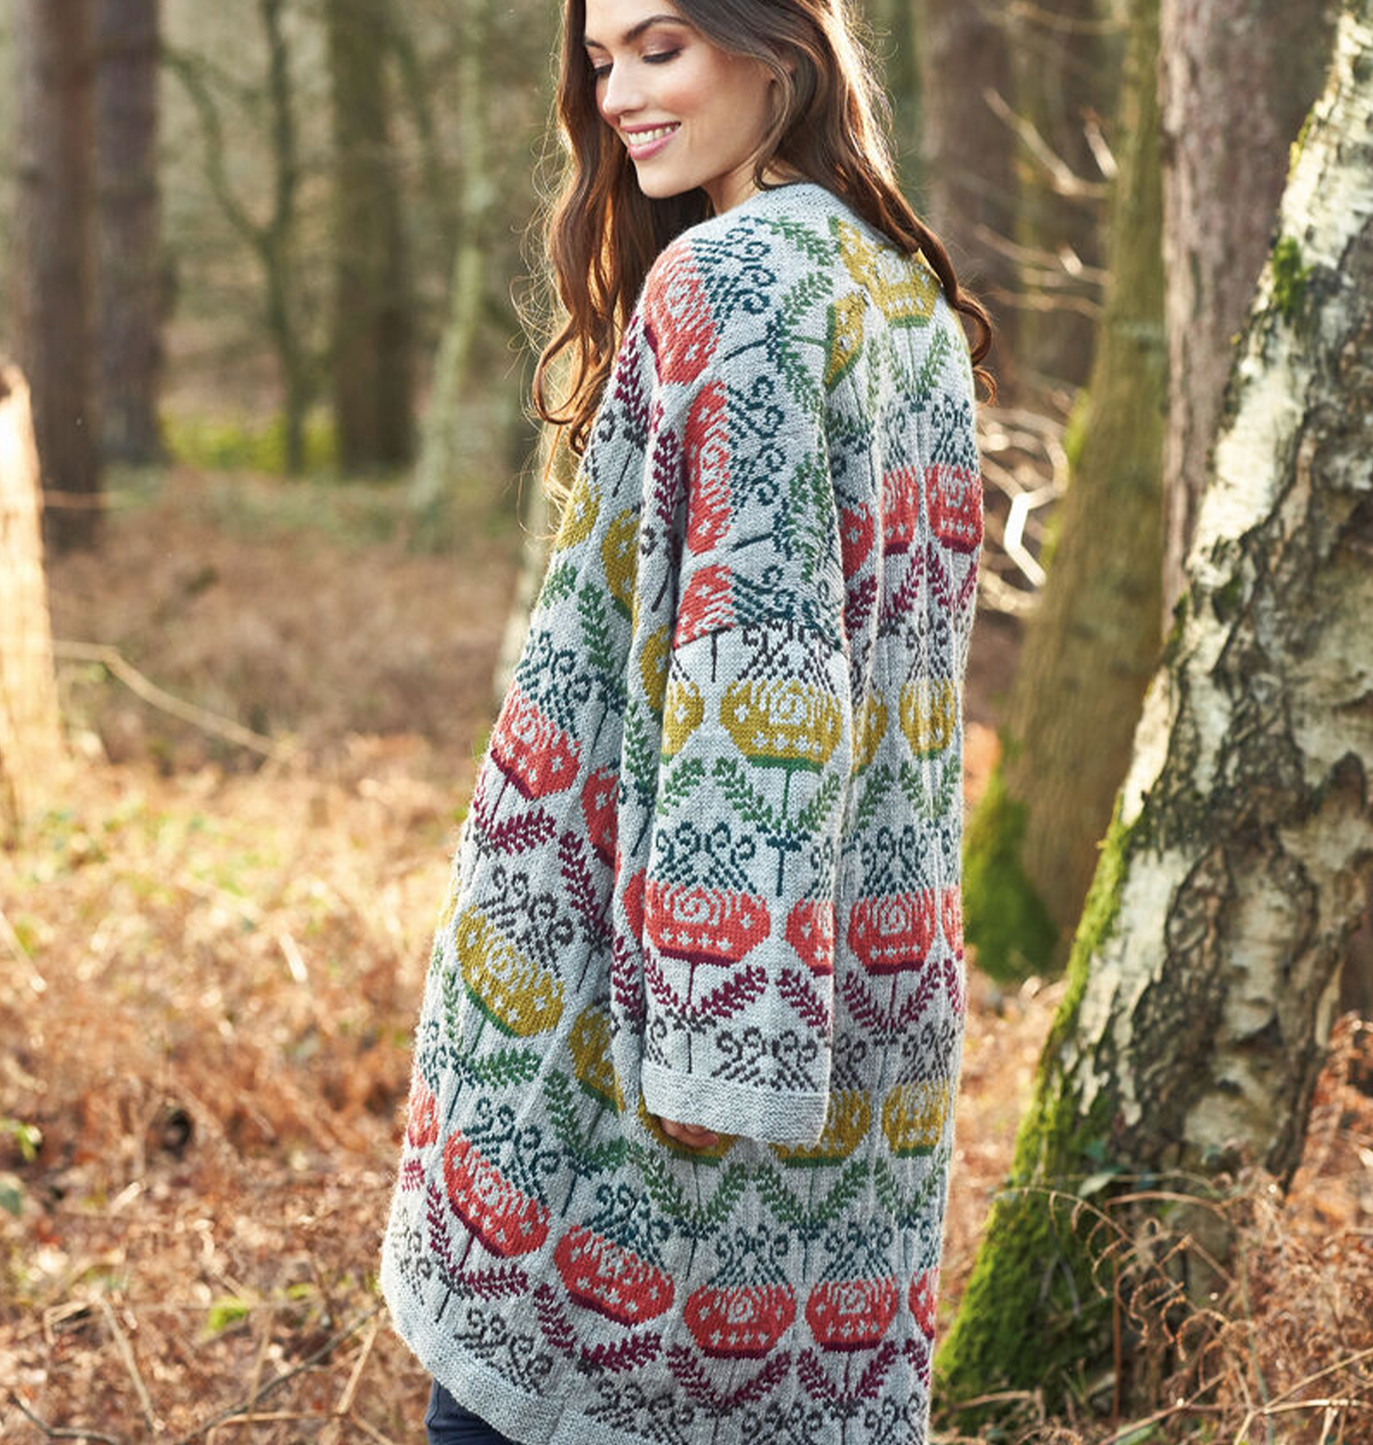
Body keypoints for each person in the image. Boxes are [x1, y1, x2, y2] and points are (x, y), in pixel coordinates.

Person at [378, 0, 994, 1441]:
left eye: (660, 48)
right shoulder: (894, 287)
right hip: (860, 990)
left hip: (659, 1023)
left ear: (779, 46)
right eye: (601, 63)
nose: (618, 98)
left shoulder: (736, 282)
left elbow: (759, 686)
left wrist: (717, 1053)